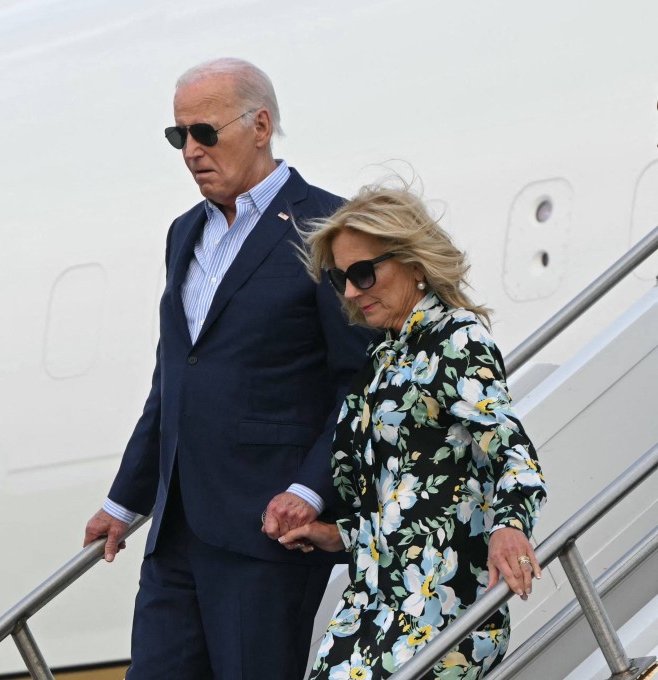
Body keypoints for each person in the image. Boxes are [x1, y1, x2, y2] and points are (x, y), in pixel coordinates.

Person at [81, 58, 375, 679]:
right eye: (177, 136)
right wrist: (124, 501)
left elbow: (360, 380)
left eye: (204, 133)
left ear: (261, 125)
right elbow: (175, 380)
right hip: (176, 530)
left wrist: (309, 489)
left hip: (266, 531)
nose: (189, 151)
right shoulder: (183, 233)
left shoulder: (330, 226)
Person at [282, 184, 548, 679]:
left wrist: (510, 528)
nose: (352, 292)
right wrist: (338, 534)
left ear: (415, 263)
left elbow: (515, 455)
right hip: (372, 607)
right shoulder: (381, 360)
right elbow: (411, 501)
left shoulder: (456, 338)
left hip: (441, 609)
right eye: (341, 279)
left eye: (364, 273)